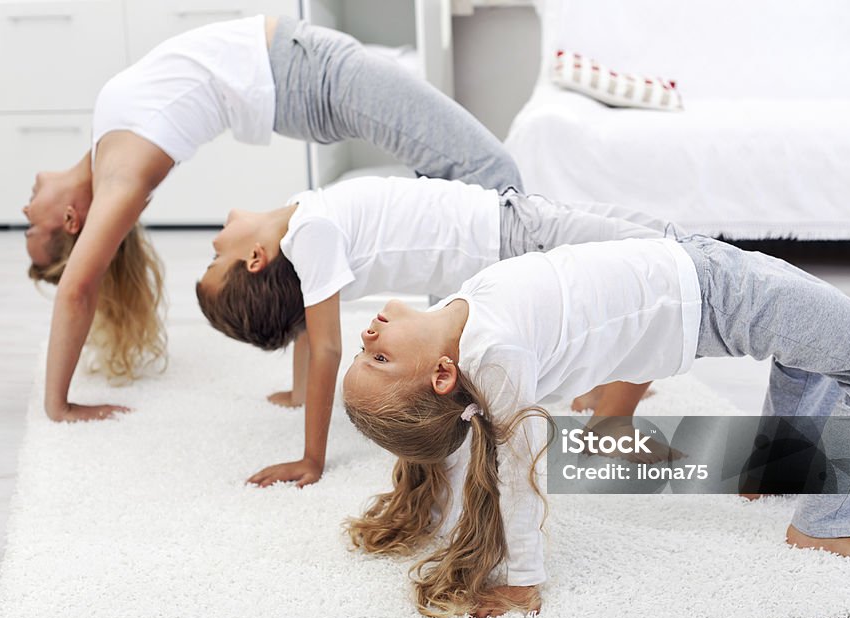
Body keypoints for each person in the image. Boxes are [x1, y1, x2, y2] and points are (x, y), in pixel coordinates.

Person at [341, 234, 850, 618]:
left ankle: (785, 465)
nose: (367, 338)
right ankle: (830, 524)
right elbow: (520, 475)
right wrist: (523, 581)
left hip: (696, 270)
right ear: (443, 375)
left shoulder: (461, 328)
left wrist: (430, 476)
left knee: (816, 348)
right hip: (718, 292)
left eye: (365, 355)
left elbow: (451, 438)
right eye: (379, 360)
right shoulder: (496, 358)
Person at [22, 14, 521, 422]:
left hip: (306, 70)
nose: (25, 209)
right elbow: (78, 288)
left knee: (455, 183)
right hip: (316, 75)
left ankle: (447, 357)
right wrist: (57, 405)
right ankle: (459, 360)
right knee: (491, 173)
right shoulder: (121, 174)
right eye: (32, 226)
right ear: (71, 220)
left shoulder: (107, 146)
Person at [196, 175, 665, 487]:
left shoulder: (301, 222)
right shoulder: (309, 232)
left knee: (644, 265)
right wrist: (311, 459)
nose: (214, 245)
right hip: (507, 236)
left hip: (503, 225)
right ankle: (611, 421)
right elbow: (324, 345)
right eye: (216, 260)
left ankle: (608, 404)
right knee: (653, 261)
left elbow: (304, 314)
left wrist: (300, 393)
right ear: (254, 258)